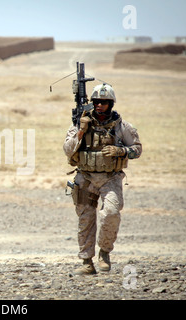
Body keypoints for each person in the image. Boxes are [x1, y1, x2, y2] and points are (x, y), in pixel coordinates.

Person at [63, 83, 142, 275]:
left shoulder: (122, 126)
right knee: (86, 218)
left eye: (104, 102)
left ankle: (104, 253)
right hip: (85, 178)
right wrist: (81, 131)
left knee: (111, 213)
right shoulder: (80, 124)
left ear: (111, 104)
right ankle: (86, 261)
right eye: (97, 101)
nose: (100, 105)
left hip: (110, 178)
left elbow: (137, 149)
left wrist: (120, 150)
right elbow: (67, 149)